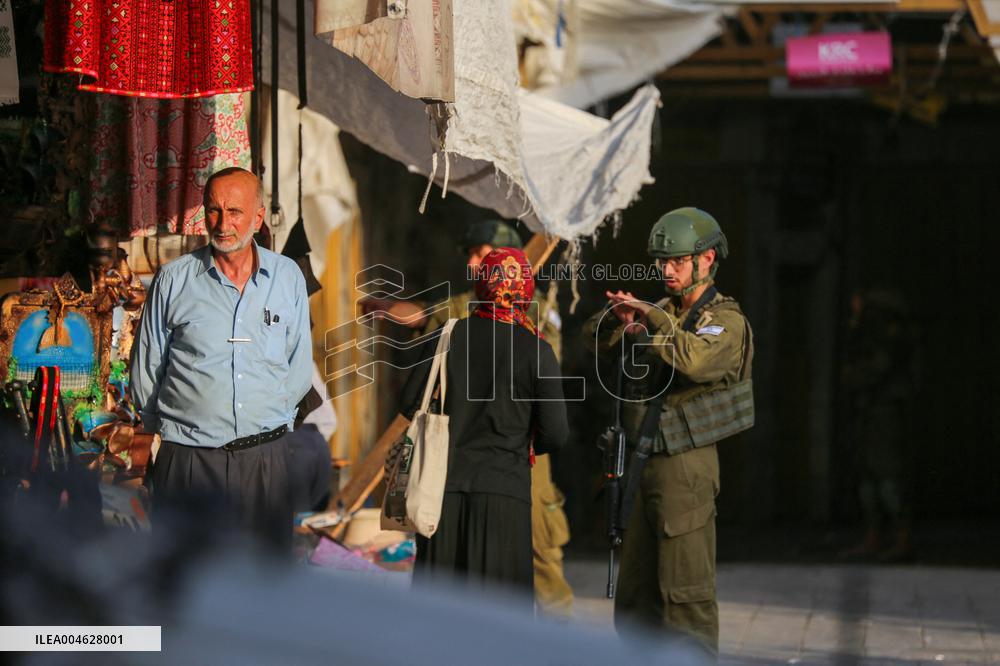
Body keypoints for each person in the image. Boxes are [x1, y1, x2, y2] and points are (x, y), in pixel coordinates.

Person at [365, 220, 575, 616]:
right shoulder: (536, 348)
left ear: (483, 287)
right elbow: (556, 433)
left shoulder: (448, 334)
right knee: (500, 619)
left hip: (442, 495)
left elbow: (410, 403)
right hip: (505, 498)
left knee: (441, 615)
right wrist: (522, 442)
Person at [582, 207, 754, 651]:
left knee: (684, 598)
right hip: (641, 462)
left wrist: (651, 320)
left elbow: (695, 358)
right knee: (636, 598)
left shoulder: (726, 321)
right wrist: (620, 320)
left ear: (707, 259)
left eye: (677, 260)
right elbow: (594, 341)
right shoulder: (659, 311)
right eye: (663, 261)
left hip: (686, 468)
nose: (667, 270)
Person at [130, 167, 312, 549]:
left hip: (266, 462)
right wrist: (154, 440)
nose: (222, 223)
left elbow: (298, 365)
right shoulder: (174, 280)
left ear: (258, 218)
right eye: (213, 210)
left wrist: (272, 427)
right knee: (186, 591)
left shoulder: (287, 277)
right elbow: (147, 369)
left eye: (235, 212)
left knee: (263, 588)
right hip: (189, 462)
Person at [839, 286, 916, 562]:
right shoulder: (869, 336)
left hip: (885, 413)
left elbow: (876, 369)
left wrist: (857, 376)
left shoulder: (890, 339)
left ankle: (901, 538)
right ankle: (874, 537)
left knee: (888, 478)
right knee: (869, 478)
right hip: (870, 412)